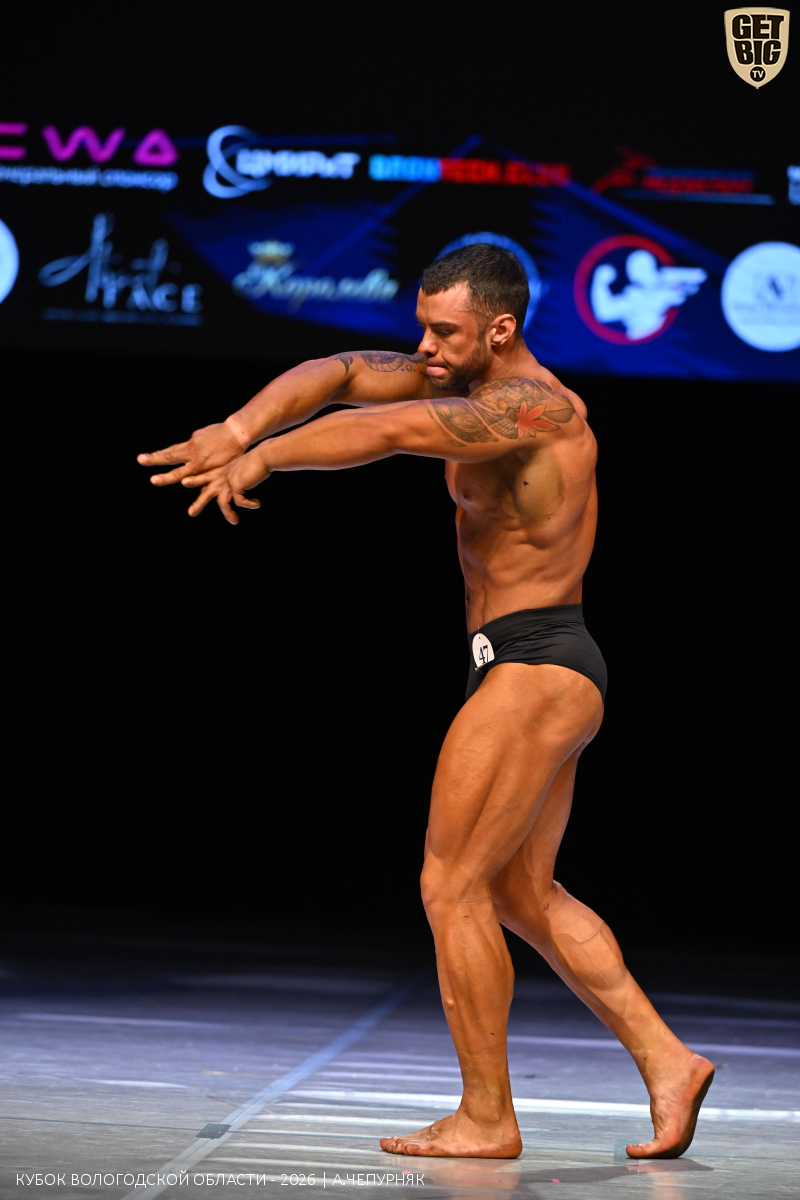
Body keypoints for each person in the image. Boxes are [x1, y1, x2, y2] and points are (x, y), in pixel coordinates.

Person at [138, 244, 714, 1160]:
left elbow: (388, 431)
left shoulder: (538, 408)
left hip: (537, 663)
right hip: (524, 668)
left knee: (451, 885)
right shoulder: (457, 373)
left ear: (501, 328)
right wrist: (237, 426)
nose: (425, 347)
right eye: (423, 328)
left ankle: (487, 1116)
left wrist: (262, 460)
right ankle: (669, 1062)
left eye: (444, 332)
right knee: (521, 893)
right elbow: (339, 373)